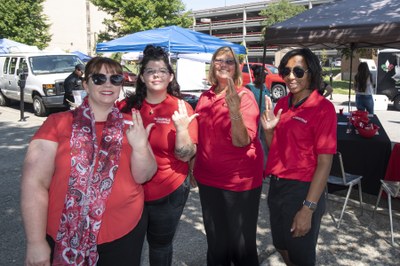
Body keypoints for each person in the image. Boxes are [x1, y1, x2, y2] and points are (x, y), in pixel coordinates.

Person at [20, 57, 157, 266]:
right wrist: (35, 242)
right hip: (64, 235)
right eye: (99, 78)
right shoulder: (57, 123)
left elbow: (144, 176)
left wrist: (140, 147)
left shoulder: (133, 123)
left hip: (124, 233)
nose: (108, 84)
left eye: (115, 78)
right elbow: (34, 184)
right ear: (85, 84)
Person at [121, 45, 198, 266]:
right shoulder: (126, 107)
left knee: (160, 245)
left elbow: (185, 156)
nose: (156, 74)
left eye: (162, 70)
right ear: (142, 76)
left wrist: (182, 130)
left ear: (170, 76)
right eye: (150, 70)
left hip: (168, 190)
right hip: (130, 190)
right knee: (127, 244)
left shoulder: (181, 108)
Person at [260, 48, 337, 266]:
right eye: (285, 71)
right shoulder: (283, 104)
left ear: (311, 73)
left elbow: (325, 162)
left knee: (302, 255)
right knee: (281, 245)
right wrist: (268, 131)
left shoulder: (323, 108)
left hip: (303, 190)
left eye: (298, 71)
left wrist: (308, 208)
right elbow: (276, 149)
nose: (290, 76)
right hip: (277, 187)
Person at [193, 46, 264, 265]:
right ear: (212, 66)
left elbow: (242, 141)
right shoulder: (205, 96)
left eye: (229, 61)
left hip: (238, 182)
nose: (223, 64)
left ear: (236, 68)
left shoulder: (245, 96)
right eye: (218, 60)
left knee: (241, 246)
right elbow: (199, 136)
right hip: (208, 179)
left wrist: (234, 111)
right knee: (216, 242)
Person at [245, 64, 271, 163]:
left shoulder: (264, 87)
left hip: (265, 119)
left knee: (265, 143)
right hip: (254, 120)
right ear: (256, 76)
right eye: (263, 76)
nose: (264, 78)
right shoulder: (249, 88)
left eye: (265, 76)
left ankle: (264, 164)